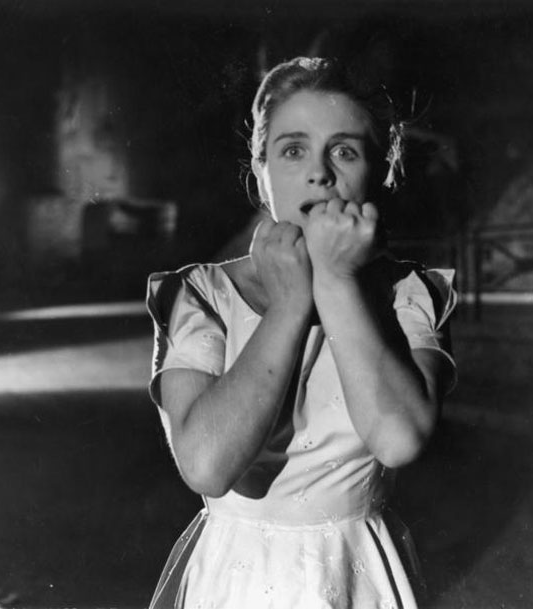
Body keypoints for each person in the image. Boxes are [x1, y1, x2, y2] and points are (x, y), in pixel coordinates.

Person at [145, 56, 457, 609]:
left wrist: (335, 280)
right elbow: (207, 466)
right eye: (293, 150)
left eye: (344, 151)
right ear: (260, 167)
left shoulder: (410, 292)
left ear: (382, 168)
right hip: (240, 579)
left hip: (355, 573)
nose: (320, 173)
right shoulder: (201, 293)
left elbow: (398, 439)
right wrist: (289, 304)